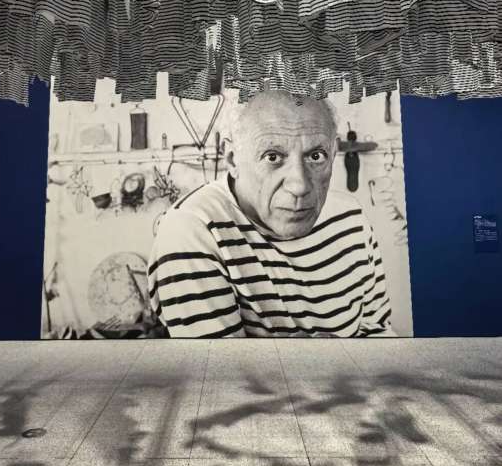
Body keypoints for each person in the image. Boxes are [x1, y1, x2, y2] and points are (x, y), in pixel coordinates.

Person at [147, 90, 394, 338]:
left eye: (316, 156)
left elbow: (379, 333)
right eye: (272, 157)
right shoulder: (190, 229)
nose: (300, 185)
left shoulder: (350, 217)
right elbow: (217, 362)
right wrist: (331, 356)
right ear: (232, 159)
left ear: (334, 152)